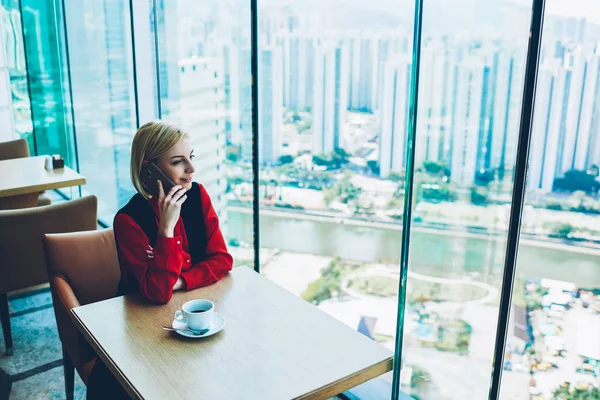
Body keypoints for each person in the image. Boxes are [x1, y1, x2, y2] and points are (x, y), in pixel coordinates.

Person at [86, 121, 233, 399]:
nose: (191, 169)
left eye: (192, 157)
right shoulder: (128, 220)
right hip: (145, 328)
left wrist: (181, 279)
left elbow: (223, 260)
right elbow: (157, 293)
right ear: (148, 168)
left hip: (193, 317)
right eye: (178, 162)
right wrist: (166, 232)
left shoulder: (198, 196)